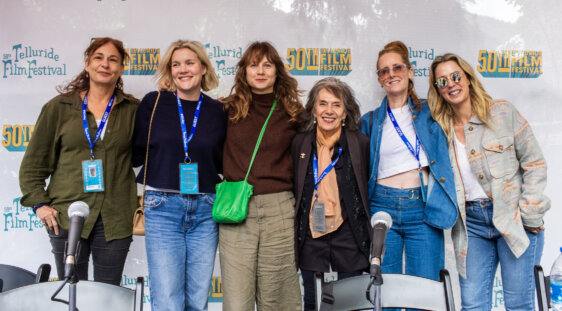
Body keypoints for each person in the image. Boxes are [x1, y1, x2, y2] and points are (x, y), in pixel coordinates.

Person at [428, 53, 549, 311]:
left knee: (518, 304)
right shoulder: (440, 129)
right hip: (472, 225)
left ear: (469, 78)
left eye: (456, 76)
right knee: (472, 305)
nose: (451, 83)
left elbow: (535, 163)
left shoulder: (503, 112)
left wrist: (529, 213)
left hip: (513, 217)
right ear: (437, 90)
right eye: (442, 81)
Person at [19, 37, 138, 285]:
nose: (105, 64)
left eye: (113, 59)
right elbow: (33, 165)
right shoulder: (59, 108)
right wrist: (40, 205)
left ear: (121, 68)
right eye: (98, 58)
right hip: (67, 216)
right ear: (87, 64)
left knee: (108, 296)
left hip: (115, 218)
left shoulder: (134, 110)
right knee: (72, 292)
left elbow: (154, 149)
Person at [132, 40, 225, 311]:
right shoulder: (154, 102)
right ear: (169, 71)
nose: (183, 69)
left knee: (198, 301)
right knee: (168, 301)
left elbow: (220, 160)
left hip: (207, 209)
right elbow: (138, 152)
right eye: (176, 64)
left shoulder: (218, 111)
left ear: (203, 68)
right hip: (162, 207)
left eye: (189, 63)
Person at [359, 41, 458, 281]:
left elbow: (462, 104)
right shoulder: (369, 121)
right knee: (386, 291)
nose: (391, 74)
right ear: (380, 79)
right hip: (381, 208)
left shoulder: (433, 111)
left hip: (423, 208)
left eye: (398, 68)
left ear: (410, 72)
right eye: (384, 71)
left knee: (424, 291)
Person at [219, 41, 303, 311]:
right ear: (244, 71)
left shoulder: (294, 114)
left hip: (280, 210)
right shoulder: (226, 110)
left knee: (278, 300)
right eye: (254, 64)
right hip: (236, 211)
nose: (261, 71)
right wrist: (166, 91)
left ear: (277, 71)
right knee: (237, 301)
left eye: (267, 64)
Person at [292, 77, 371, 311]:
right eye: (323, 103)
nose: (329, 111)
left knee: (350, 304)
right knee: (312, 302)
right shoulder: (300, 144)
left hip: (349, 235)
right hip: (310, 237)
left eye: (336, 105)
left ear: (346, 112)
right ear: (314, 109)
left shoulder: (361, 143)